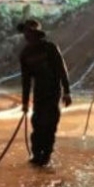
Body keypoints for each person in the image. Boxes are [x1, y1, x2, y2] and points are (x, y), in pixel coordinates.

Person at [18, 19, 72, 165]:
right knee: (37, 123)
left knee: (50, 124)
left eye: (29, 32)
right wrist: (24, 102)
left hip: (54, 91)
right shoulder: (25, 54)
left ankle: (46, 155)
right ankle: (36, 155)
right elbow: (26, 80)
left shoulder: (50, 48)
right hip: (39, 93)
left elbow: (62, 69)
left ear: (36, 34)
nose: (26, 35)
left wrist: (67, 91)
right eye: (25, 32)